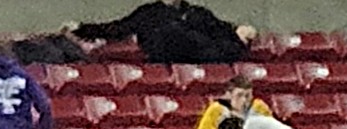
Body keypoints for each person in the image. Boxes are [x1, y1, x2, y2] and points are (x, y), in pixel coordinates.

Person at [72, 0, 256, 63]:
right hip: (164, 56)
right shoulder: (149, 13)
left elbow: (220, 29)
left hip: (198, 56)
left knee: (224, 45)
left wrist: (237, 29)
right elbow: (116, 29)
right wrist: (81, 29)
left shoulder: (197, 13)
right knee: (173, 31)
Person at [192, 75, 269, 129]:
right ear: (229, 95)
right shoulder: (216, 110)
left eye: (248, 96)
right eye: (239, 95)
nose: (244, 100)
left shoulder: (259, 108)